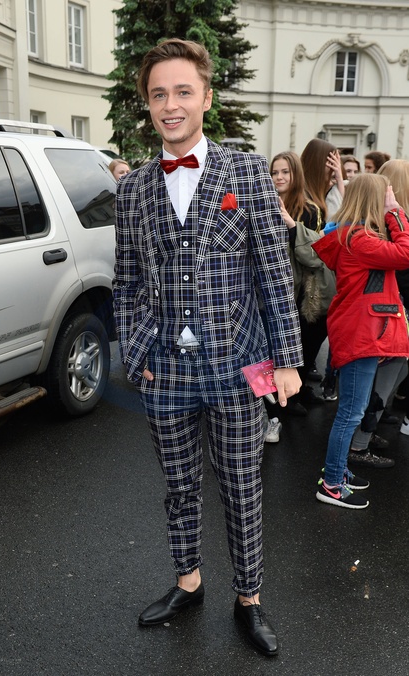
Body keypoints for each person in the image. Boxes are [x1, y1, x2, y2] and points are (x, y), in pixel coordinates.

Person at [113, 38, 303, 657]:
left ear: (206, 98)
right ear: (149, 104)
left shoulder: (246, 173)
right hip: (164, 370)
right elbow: (127, 281)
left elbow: (273, 272)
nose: (170, 105)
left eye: (182, 91)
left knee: (243, 487)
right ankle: (188, 582)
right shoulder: (134, 190)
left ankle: (249, 598)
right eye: (159, 94)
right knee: (179, 486)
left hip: (238, 364)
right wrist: (137, 354)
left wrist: (287, 359)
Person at [312, 173, 409, 508]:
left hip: (361, 331)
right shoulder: (361, 240)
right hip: (361, 334)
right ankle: (332, 484)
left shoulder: (353, 236)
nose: (391, 201)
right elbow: (406, 253)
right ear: (374, 201)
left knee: (352, 409)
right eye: (386, 197)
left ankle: (337, 471)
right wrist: (396, 214)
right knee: (351, 414)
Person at [270, 151, 336, 415]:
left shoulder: (309, 209)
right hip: (274, 286)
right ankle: (279, 398)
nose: (279, 177)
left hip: (304, 291)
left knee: (305, 344)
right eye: (275, 172)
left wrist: (290, 225)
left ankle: (295, 392)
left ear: (296, 174)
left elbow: (315, 254)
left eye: (285, 172)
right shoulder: (264, 204)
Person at [300, 138, 346, 220]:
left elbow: (344, 211)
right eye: (331, 162)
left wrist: (339, 179)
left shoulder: (331, 190)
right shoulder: (302, 196)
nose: (335, 166)